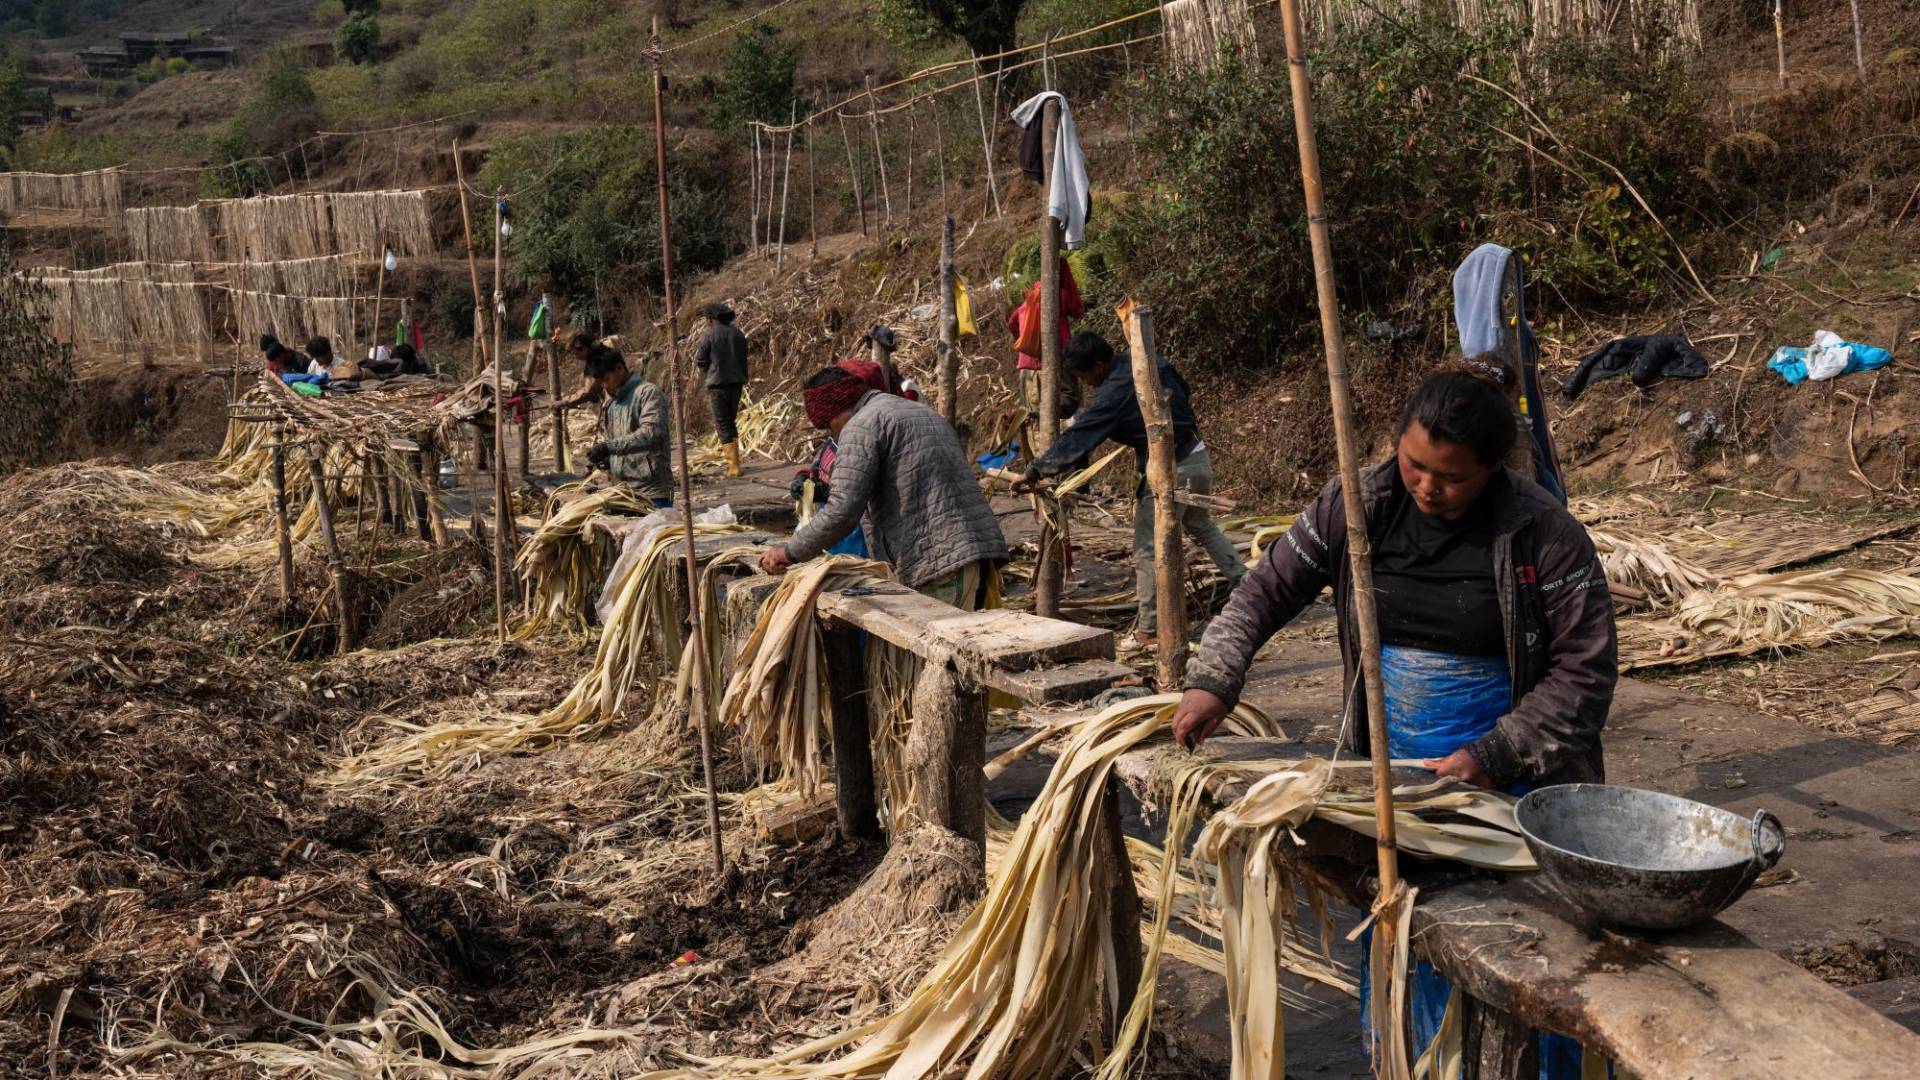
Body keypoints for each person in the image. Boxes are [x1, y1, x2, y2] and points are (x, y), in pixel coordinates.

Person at [1169, 364, 1617, 1075]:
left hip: (1510, 789)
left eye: (1452, 477)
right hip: (1392, 778)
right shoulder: (1359, 502)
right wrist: (1214, 680)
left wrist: (1493, 755)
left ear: (1492, 469)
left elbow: (1584, 676)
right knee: (1404, 932)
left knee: (1524, 951)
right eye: (1415, 464)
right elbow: (1265, 590)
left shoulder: (1543, 534)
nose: (1427, 487)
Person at [1017, 331, 1245, 647]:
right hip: (1197, 456)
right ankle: (1249, 586)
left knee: (1146, 547)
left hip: (1170, 469)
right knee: (1201, 525)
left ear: (1099, 365)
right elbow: (1184, 391)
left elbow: (1081, 435)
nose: (1087, 384)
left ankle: (1150, 629)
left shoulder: (1115, 393)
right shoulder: (1152, 363)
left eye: (1084, 376)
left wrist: (1035, 470)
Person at [758, 367, 1006, 609]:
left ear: (835, 411)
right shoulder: (917, 411)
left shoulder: (860, 426)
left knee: (933, 634)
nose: (833, 433)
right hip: (974, 549)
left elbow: (842, 510)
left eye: (829, 425)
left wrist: (789, 552)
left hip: (940, 560)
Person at [582, 345, 674, 508]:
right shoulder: (611, 402)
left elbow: (651, 433)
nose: (605, 386)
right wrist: (606, 460)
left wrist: (608, 448)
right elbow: (619, 442)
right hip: (623, 490)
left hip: (651, 491)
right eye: (601, 382)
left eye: (606, 379)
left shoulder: (648, 393)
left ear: (619, 369)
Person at [695, 302, 749, 478]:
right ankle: (736, 464)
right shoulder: (738, 334)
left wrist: (709, 371)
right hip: (736, 384)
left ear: (711, 319)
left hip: (717, 385)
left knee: (722, 423)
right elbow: (743, 359)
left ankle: (733, 467)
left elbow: (701, 360)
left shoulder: (708, 335)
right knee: (731, 421)